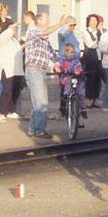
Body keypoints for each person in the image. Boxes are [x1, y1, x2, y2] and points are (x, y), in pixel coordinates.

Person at [23, 11, 66, 139]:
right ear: (39, 21)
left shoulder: (44, 39)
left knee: (38, 103)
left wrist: (59, 62)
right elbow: (45, 32)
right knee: (42, 102)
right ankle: (40, 131)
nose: (48, 21)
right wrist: (59, 24)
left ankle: (33, 129)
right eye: (46, 19)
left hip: (40, 71)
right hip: (34, 70)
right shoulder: (34, 31)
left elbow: (51, 52)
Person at [0, 18, 24, 122]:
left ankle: (11, 111)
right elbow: (7, 33)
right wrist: (14, 25)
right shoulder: (2, 38)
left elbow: (18, 51)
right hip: (7, 69)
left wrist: (24, 45)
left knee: (15, 91)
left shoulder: (14, 40)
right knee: (6, 91)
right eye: (12, 28)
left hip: (17, 70)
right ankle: (2, 112)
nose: (15, 30)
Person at [57, 43, 87, 120]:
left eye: (73, 52)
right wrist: (59, 69)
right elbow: (59, 66)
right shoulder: (62, 60)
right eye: (71, 52)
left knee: (81, 93)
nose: (73, 54)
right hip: (67, 77)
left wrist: (79, 71)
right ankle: (65, 102)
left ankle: (83, 109)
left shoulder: (76, 60)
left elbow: (79, 67)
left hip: (77, 78)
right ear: (65, 52)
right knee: (66, 87)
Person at [81, 14, 103, 107]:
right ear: (88, 22)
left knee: (97, 79)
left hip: (98, 57)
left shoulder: (99, 32)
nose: (94, 23)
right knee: (90, 79)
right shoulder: (85, 32)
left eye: (95, 21)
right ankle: (88, 99)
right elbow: (90, 45)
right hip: (90, 57)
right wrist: (97, 40)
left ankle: (95, 98)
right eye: (92, 21)